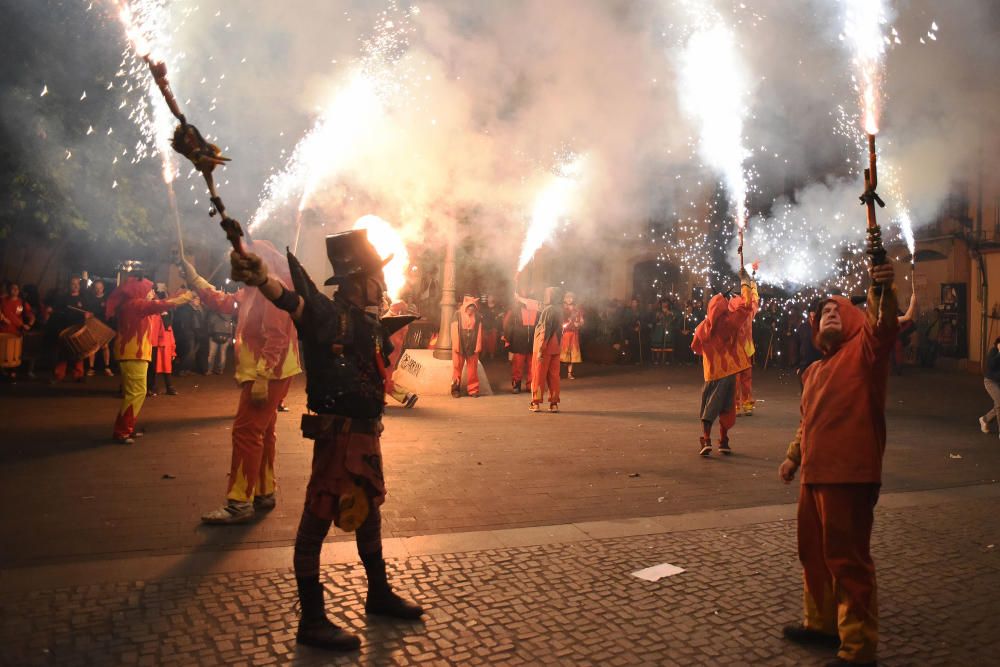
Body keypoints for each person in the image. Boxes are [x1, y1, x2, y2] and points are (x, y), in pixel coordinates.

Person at [229, 230, 423, 651]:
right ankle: (312, 620)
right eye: (377, 278)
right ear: (359, 282)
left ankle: (378, 593)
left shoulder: (368, 323)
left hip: (366, 438)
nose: (383, 286)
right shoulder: (330, 316)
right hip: (338, 439)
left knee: (369, 510)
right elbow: (292, 301)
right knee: (315, 522)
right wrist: (263, 277)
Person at [777, 260, 898, 667]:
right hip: (813, 477)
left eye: (837, 309)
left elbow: (882, 327)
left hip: (850, 474)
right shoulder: (812, 371)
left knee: (848, 559)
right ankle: (822, 624)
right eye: (822, 312)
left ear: (853, 319)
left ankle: (858, 647)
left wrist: (880, 289)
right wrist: (794, 457)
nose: (829, 313)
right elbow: (806, 422)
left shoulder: (864, 353)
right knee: (812, 554)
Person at [180, 242, 303, 525]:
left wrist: (262, 376)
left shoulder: (271, 289)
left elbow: (277, 337)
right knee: (263, 432)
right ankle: (263, 491)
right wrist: (195, 278)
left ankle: (238, 502)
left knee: (246, 433)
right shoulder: (253, 289)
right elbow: (225, 302)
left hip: (267, 374)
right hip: (270, 373)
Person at [107, 277, 192, 444]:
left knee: (137, 393)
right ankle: (122, 431)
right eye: (149, 290)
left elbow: (160, 303)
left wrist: (178, 294)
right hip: (133, 354)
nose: (152, 293)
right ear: (139, 291)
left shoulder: (132, 305)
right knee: (136, 393)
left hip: (134, 353)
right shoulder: (135, 305)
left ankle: (126, 429)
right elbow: (161, 305)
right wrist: (187, 296)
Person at [690, 269, 758, 456]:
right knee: (727, 407)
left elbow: (695, 346)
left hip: (711, 374)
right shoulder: (730, 322)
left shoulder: (703, 327)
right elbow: (747, 306)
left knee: (709, 405)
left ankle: (706, 438)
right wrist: (746, 282)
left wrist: (706, 352)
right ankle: (724, 440)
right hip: (730, 373)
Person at [49, 276, 89, 382]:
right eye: (73, 284)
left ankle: (78, 375)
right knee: (63, 352)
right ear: (69, 285)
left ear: (80, 286)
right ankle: (59, 375)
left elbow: (88, 312)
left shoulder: (83, 299)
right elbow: (57, 312)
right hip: (65, 329)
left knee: (79, 353)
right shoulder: (63, 298)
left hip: (78, 329)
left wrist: (87, 315)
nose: (75, 286)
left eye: (77, 284)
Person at [530, 287, 563, 413]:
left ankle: (536, 403)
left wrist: (540, 350)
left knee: (539, 375)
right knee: (554, 376)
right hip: (556, 347)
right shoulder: (559, 310)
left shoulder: (547, 310)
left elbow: (544, 330)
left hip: (544, 348)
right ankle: (554, 404)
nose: (545, 296)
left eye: (547, 294)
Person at [502, 293, 538, 394]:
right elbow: (507, 325)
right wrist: (508, 339)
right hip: (518, 343)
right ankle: (516, 384)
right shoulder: (515, 311)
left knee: (532, 366)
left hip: (533, 343)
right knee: (518, 366)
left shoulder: (537, 312)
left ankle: (530, 385)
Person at [734, 288, 761, 417]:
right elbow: (755, 300)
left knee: (744, 378)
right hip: (737, 349)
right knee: (737, 379)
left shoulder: (748, 311)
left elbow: (755, 300)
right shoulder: (735, 310)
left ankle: (744, 404)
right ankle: (737, 405)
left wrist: (751, 283)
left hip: (745, 349)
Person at [1, 281, 35, 380]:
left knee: (13, 354)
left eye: (17, 288)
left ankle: (13, 374)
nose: (15, 290)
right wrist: (2, 318)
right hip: (2, 332)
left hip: (16, 333)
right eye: (12, 288)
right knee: (2, 353)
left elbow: (31, 315)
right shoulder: (2, 300)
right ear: (8, 290)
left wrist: (29, 324)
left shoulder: (22, 302)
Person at [450, 295, 482, 398]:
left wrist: (478, 346)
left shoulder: (478, 317)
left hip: (472, 346)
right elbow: (454, 330)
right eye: (469, 307)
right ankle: (455, 390)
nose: (471, 309)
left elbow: (479, 332)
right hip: (459, 345)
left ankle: (473, 390)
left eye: (473, 308)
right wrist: (456, 345)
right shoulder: (457, 314)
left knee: (473, 369)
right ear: (465, 307)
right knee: (457, 368)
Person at [147, 305, 178, 396]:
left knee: (166, 368)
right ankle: (152, 387)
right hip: (155, 346)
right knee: (152, 369)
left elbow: (171, 336)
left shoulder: (166, 322)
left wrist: (173, 351)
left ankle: (168, 386)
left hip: (164, 347)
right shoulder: (154, 317)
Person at [85, 280, 114, 376]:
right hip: (93, 325)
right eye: (96, 288)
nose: (98, 290)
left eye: (100, 288)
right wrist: (87, 314)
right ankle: (91, 368)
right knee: (92, 347)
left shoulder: (108, 299)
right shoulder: (90, 299)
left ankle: (107, 367)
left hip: (105, 325)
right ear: (94, 288)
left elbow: (110, 312)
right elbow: (88, 312)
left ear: (103, 288)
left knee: (105, 346)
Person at [979, 337, 1000, 438]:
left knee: (998, 405)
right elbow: (991, 365)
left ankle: (985, 419)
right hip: (991, 381)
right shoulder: (993, 352)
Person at [560, 291, 583, 378]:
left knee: (572, 354)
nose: (569, 299)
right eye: (567, 297)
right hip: (565, 334)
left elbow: (581, 321)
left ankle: (569, 373)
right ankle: (556, 372)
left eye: (571, 297)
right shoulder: (562, 309)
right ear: (564, 299)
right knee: (561, 354)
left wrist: (579, 324)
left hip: (574, 334)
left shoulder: (577, 310)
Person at [206, 306, 234, 375]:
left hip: (214, 336)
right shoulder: (229, 315)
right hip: (226, 336)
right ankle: (221, 370)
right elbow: (231, 326)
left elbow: (210, 323)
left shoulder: (213, 314)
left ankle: (209, 370)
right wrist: (231, 337)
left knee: (211, 354)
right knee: (223, 353)